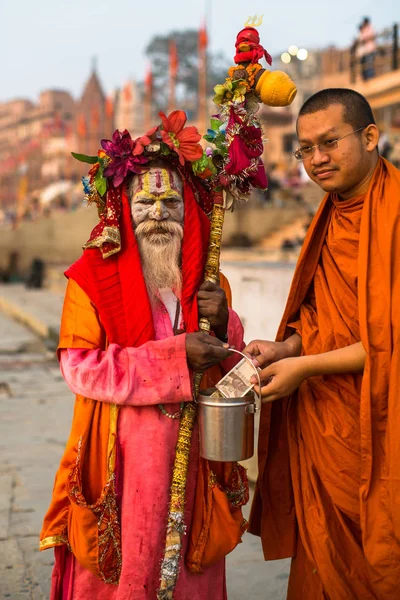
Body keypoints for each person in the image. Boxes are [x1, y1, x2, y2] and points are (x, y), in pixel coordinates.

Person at [40, 112, 248, 599]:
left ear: (188, 209)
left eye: (171, 201)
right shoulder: (90, 278)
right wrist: (176, 358)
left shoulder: (209, 282)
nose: (158, 212)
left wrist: (223, 326)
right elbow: (81, 370)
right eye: (145, 201)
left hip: (194, 463)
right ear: (122, 208)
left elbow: (231, 364)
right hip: (118, 465)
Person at [246, 88, 400, 599]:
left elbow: (390, 339)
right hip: (327, 422)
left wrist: (306, 369)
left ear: (371, 136)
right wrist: (288, 350)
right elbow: (318, 315)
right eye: (305, 149)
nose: (316, 159)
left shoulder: (395, 212)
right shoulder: (332, 213)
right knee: (324, 563)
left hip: (382, 420)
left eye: (329, 142)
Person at [357, 17, 376, 81]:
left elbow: (368, 37)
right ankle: (366, 79)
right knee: (365, 66)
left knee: (369, 65)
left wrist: (364, 39)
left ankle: (370, 78)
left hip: (369, 49)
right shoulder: (363, 30)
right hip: (364, 51)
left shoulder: (370, 29)